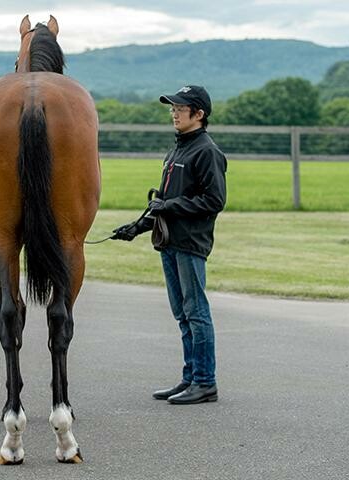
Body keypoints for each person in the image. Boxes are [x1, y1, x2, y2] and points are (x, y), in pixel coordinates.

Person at [112, 85, 227, 404]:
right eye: (172, 108)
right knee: (182, 313)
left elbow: (214, 200)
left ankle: (205, 382)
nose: (174, 112)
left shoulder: (206, 151)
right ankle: (190, 378)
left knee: (196, 311)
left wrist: (171, 207)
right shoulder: (177, 150)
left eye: (180, 108)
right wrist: (136, 228)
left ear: (199, 114)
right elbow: (162, 202)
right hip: (169, 241)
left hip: (190, 243)